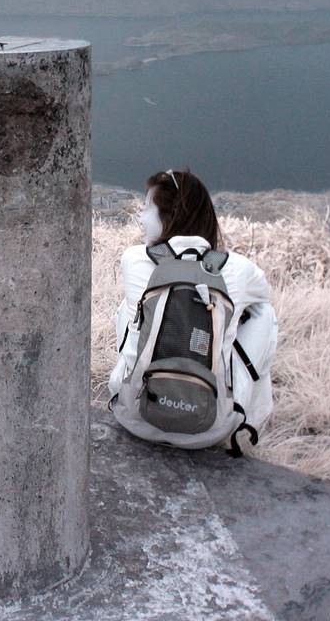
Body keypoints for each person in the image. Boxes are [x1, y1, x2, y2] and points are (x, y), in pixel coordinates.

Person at [108, 168, 277, 449]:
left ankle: (130, 384)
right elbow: (263, 297)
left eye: (147, 207)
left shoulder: (134, 258)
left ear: (169, 216)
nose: (141, 215)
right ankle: (248, 421)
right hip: (210, 429)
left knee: (131, 309)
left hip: (136, 416)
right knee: (263, 313)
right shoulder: (239, 268)